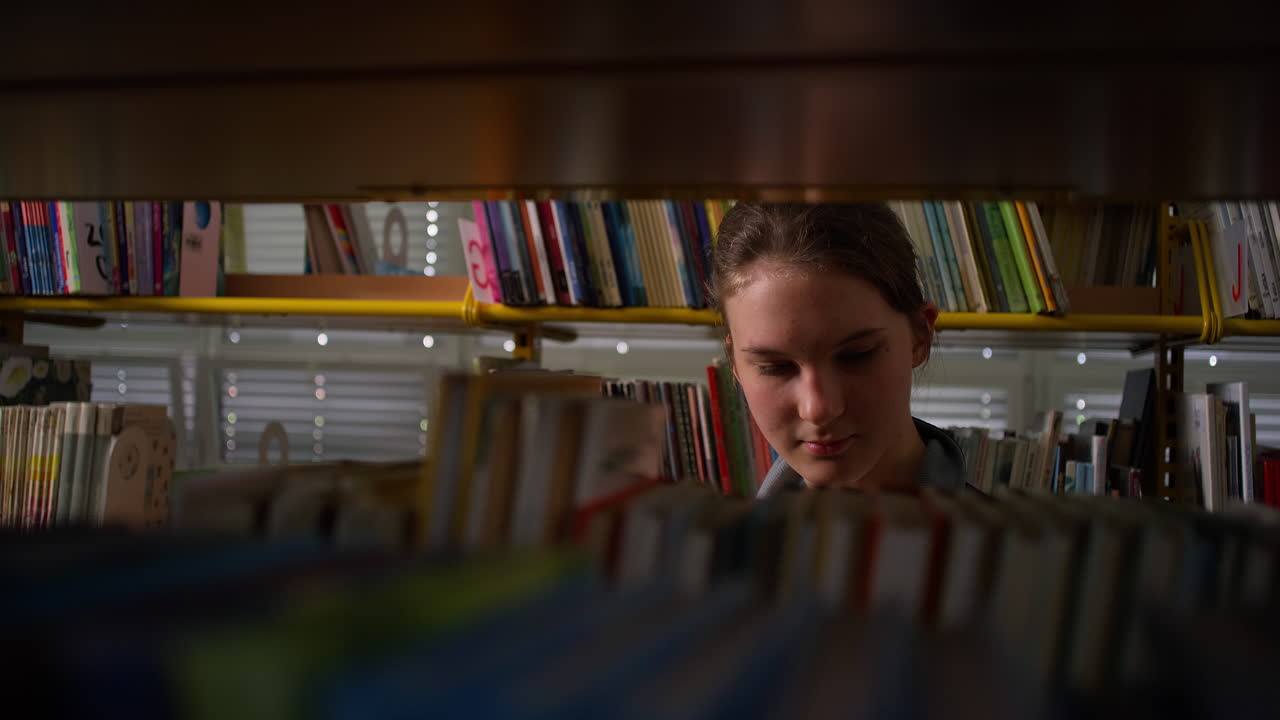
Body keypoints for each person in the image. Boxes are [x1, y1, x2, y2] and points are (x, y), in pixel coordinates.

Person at [708, 202, 968, 498]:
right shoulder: (710, 544)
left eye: (856, 355)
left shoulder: (1016, 544)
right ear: (734, 364)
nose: (817, 409)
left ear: (920, 336)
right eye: (775, 366)